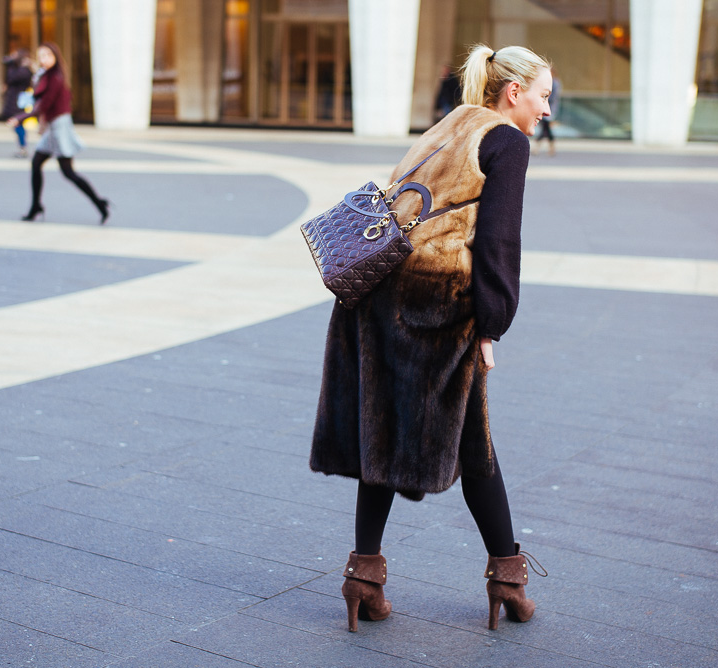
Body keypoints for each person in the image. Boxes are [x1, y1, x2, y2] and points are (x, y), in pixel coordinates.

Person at [310, 43, 552, 633]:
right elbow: (498, 242)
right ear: (514, 91)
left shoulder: (451, 124)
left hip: (376, 295)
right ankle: (508, 579)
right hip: (436, 306)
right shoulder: (507, 140)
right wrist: (490, 324)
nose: (547, 109)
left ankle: (364, 577)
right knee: (474, 444)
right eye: (544, 96)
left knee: (387, 430)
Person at [7, 42, 109, 224]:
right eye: (41, 56)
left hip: (60, 127)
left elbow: (44, 105)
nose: (44, 59)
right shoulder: (45, 75)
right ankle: (35, 206)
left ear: (55, 56)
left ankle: (99, 203)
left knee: (68, 172)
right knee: (37, 163)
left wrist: (20, 118)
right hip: (53, 126)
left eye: (47, 55)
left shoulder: (56, 78)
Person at [2, 49, 33, 158]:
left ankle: (23, 147)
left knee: (18, 123)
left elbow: (11, 78)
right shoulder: (21, 70)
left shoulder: (23, 71)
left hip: (17, 102)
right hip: (16, 101)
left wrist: (11, 66)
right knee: (18, 124)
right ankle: (22, 147)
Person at [536, 70, 561, 156]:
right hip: (548, 108)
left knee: (545, 130)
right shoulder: (549, 82)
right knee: (546, 130)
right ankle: (550, 148)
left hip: (550, 109)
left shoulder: (555, 83)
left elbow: (553, 98)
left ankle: (539, 148)